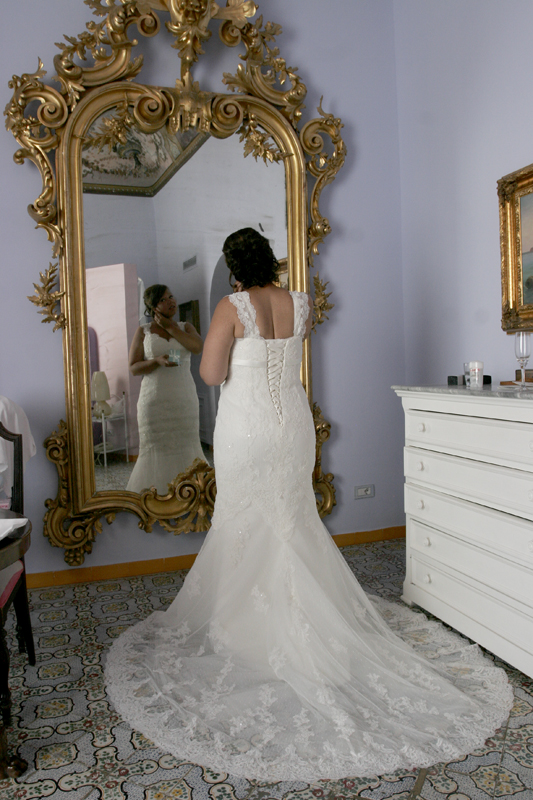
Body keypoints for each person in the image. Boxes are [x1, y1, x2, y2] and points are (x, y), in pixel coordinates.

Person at [106, 230, 512, 782]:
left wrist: (215, 350)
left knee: (246, 520)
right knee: (291, 517)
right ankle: (308, 618)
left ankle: (250, 623)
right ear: (269, 260)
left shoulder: (231, 305)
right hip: (292, 424)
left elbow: (209, 374)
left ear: (233, 266)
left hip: (246, 427)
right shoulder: (300, 302)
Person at [126, 284, 204, 495]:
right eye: (163, 299)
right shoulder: (143, 331)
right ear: (153, 306)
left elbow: (197, 347)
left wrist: (172, 329)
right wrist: (156, 361)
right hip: (154, 401)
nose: (171, 301)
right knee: (155, 450)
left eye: (171, 297)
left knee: (187, 446)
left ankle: (190, 495)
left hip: (183, 399)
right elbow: (133, 368)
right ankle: (155, 499)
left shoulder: (185, 327)